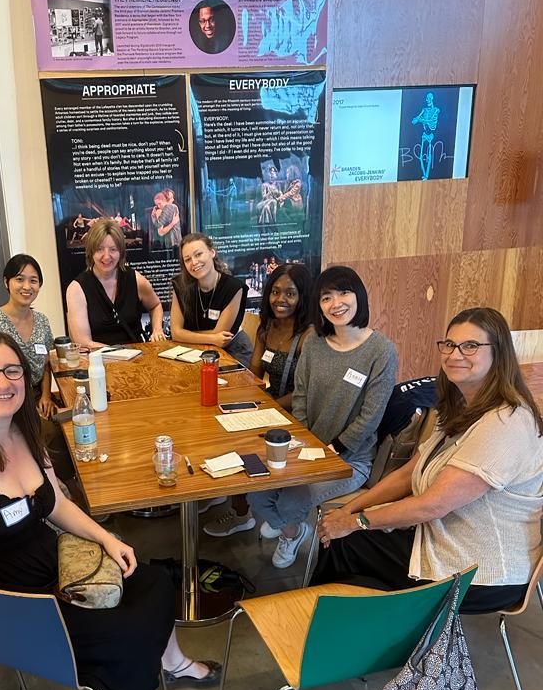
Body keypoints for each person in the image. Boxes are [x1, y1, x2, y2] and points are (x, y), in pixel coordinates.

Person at [0, 331, 219, 690]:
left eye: (12, 371)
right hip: (12, 596)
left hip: (55, 566)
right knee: (123, 628)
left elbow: (53, 501)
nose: (2, 382)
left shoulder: (24, 433)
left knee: (154, 582)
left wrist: (106, 539)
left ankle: (173, 661)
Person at [313, 307, 543, 614]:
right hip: (446, 537)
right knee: (346, 540)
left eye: (470, 346)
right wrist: (350, 509)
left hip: (484, 572)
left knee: (348, 544)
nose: (454, 354)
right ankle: (345, 633)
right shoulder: (459, 405)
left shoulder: (507, 422)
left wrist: (356, 522)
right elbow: (410, 472)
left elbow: (432, 505)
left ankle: (324, 635)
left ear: (498, 354)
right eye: (449, 344)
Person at [248, 265, 399, 568]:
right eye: (326, 297)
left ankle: (289, 532)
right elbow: (300, 398)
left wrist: (334, 450)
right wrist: (302, 443)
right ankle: (291, 526)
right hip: (307, 448)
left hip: (349, 458)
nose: (336, 303)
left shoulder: (381, 351)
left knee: (290, 501)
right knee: (254, 489)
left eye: (344, 293)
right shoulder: (315, 343)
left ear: (359, 296)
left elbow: (371, 416)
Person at [203, 263, 314, 538]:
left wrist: (266, 406)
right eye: (275, 292)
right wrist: (238, 394)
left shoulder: (308, 336)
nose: (281, 300)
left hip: (296, 414)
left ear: (303, 297)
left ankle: (253, 510)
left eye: (290, 293)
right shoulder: (268, 327)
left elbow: (304, 393)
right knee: (220, 427)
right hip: (270, 405)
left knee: (242, 442)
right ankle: (239, 508)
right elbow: (254, 373)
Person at [0, 254, 55, 419]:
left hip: (36, 398)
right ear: (6, 282)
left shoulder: (42, 321)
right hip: (2, 399)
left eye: (33, 280)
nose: (27, 286)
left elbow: (47, 364)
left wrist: (47, 396)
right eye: (19, 279)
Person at [66, 218, 166, 350]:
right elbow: (83, 342)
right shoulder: (77, 289)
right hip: (99, 364)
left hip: (138, 360)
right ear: (91, 251)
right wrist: (121, 354)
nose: (106, 257)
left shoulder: (135, 279)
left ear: (121, 252)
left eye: (113, 249)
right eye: (99, 249)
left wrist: (157, 329)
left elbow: (155, 305)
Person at [170, 232, 252, 367]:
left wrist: (186, 335)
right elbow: (176, 333)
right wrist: (212, 338)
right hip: (193, 351)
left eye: (198, 254)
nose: (194, 262)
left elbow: (221, 338)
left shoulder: (234, 288)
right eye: (187, 259)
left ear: (212, 253)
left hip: (232, 351)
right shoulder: (180, 285)